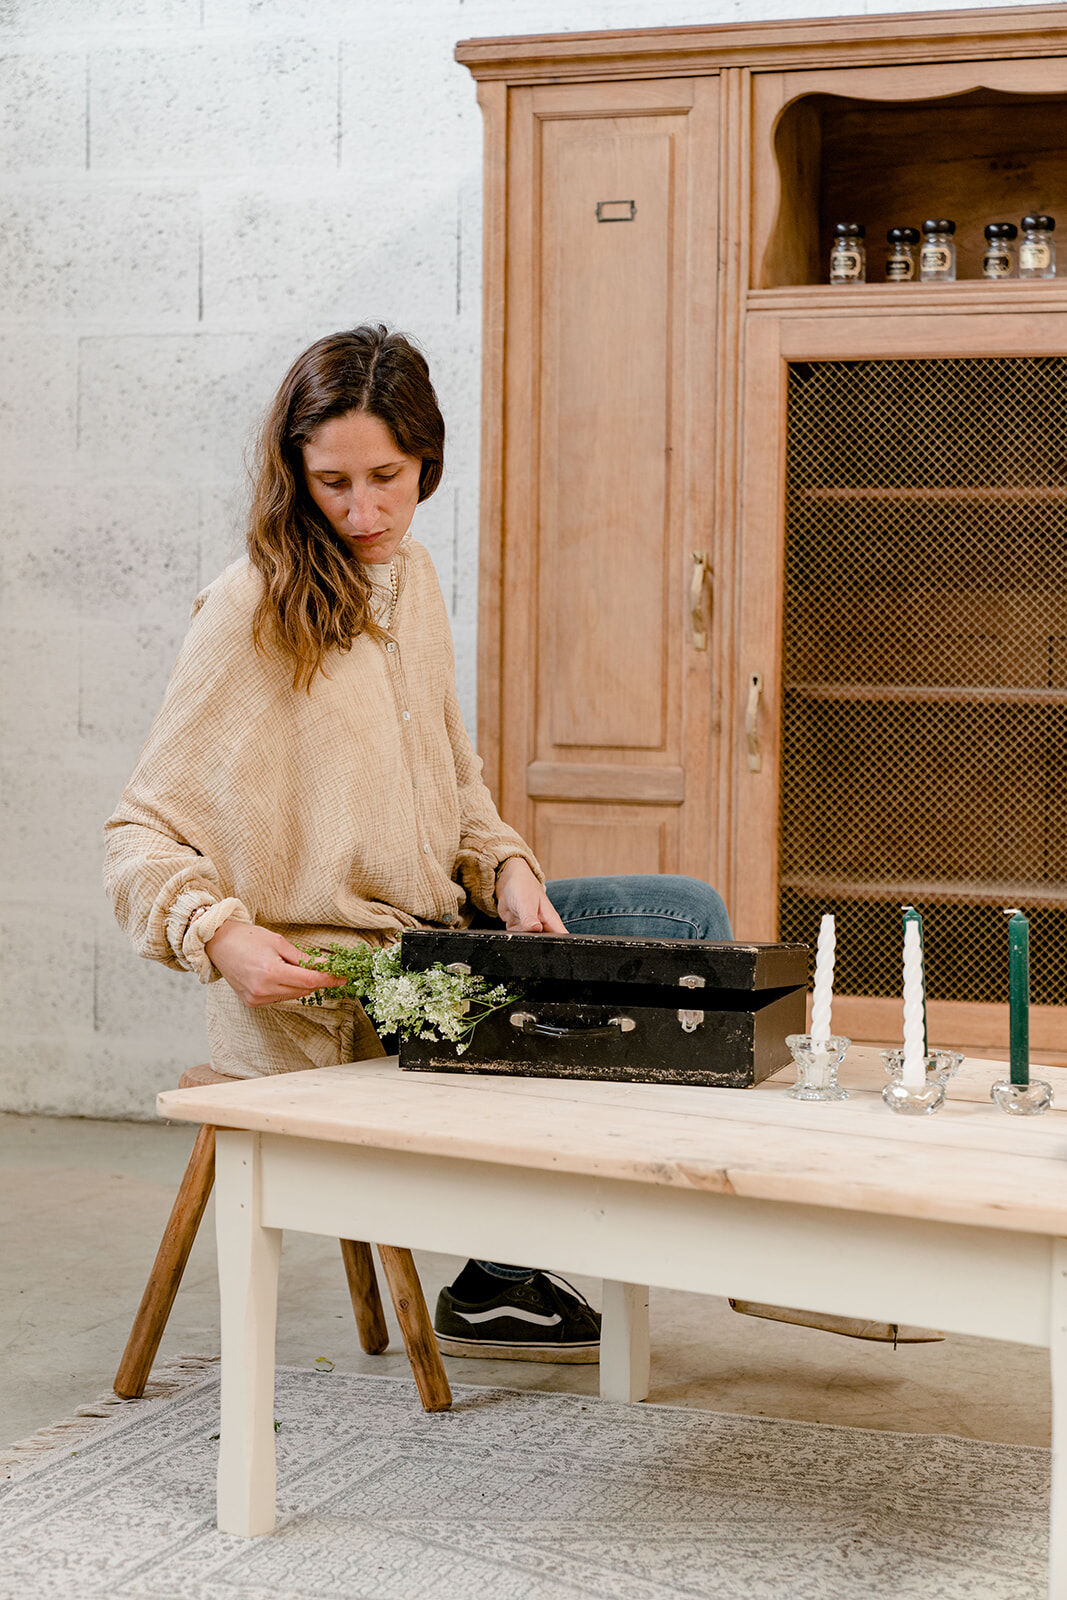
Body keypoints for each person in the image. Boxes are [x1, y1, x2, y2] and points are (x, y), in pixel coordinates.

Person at [104, 324, 733, 1364]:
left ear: (425, 459)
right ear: (294, 475)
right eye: (333, 484)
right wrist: (217, 933)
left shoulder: (413, 578)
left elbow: (457, 785)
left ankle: (520, 1264)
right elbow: (140, 831)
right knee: (663, 961)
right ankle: (516, 1265)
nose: (362, 512)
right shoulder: (253, 606)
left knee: (684, 919)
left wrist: (508, 867)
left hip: (443, 933)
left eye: (387, 478)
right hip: (351, 981)